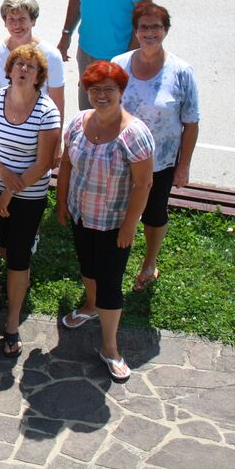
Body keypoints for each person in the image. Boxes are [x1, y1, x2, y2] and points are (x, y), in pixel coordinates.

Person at [57, 61, 154, 384]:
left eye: (108, 90)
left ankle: (110, 348)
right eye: (95, 89)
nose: (101, 96)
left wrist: (129, 225)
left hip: (114, 223)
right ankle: (90, 305)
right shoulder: (78, 122)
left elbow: (143, 184)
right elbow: (67, 165)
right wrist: (61, 202)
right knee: (87, 264)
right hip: (82, 214)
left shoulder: (135, 134)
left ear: (121, 92)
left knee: (110, 282)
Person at [112, 3, 199, 292]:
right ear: (135, 31)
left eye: (156, 27)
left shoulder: (181, 71)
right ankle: (112, 261)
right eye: (144, 27)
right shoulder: (118, 64)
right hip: (120, 158)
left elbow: (191, 123)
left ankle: (149, 264)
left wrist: (183, 166)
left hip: (159, 162)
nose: (150, 32)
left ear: (166, 30)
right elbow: (106, 108)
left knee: (154, 214)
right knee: (116, 213)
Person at [0, 44, 61, 358]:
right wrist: (3, 174)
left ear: (39, 75)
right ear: (9, 70)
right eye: (18, 64)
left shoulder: (47, 111)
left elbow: (44, 163)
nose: (24, 70)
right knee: (4, 243)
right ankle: (16, 270)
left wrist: (11, 191)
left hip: (28, 195)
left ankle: (12, 323)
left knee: (18, 256)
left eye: (31, 66)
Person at [0, 0, 65, 134]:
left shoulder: (52, 55)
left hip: (37, 129)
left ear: (33, 21)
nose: (16, 25)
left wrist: (57, 142)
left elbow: (57, 104)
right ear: (4, 22)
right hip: (0, 130)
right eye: (11, 19)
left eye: (22, 19)